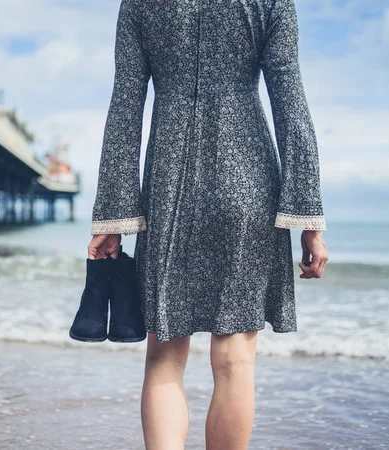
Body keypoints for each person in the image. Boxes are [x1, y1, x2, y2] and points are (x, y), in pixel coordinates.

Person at [87, 0, 329, 448]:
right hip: (249, 183)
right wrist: (309, 216)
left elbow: (125, 108)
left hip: (167, 184)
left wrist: (113, 215)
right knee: (235, 360)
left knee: (163, 357)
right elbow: (290, 104)